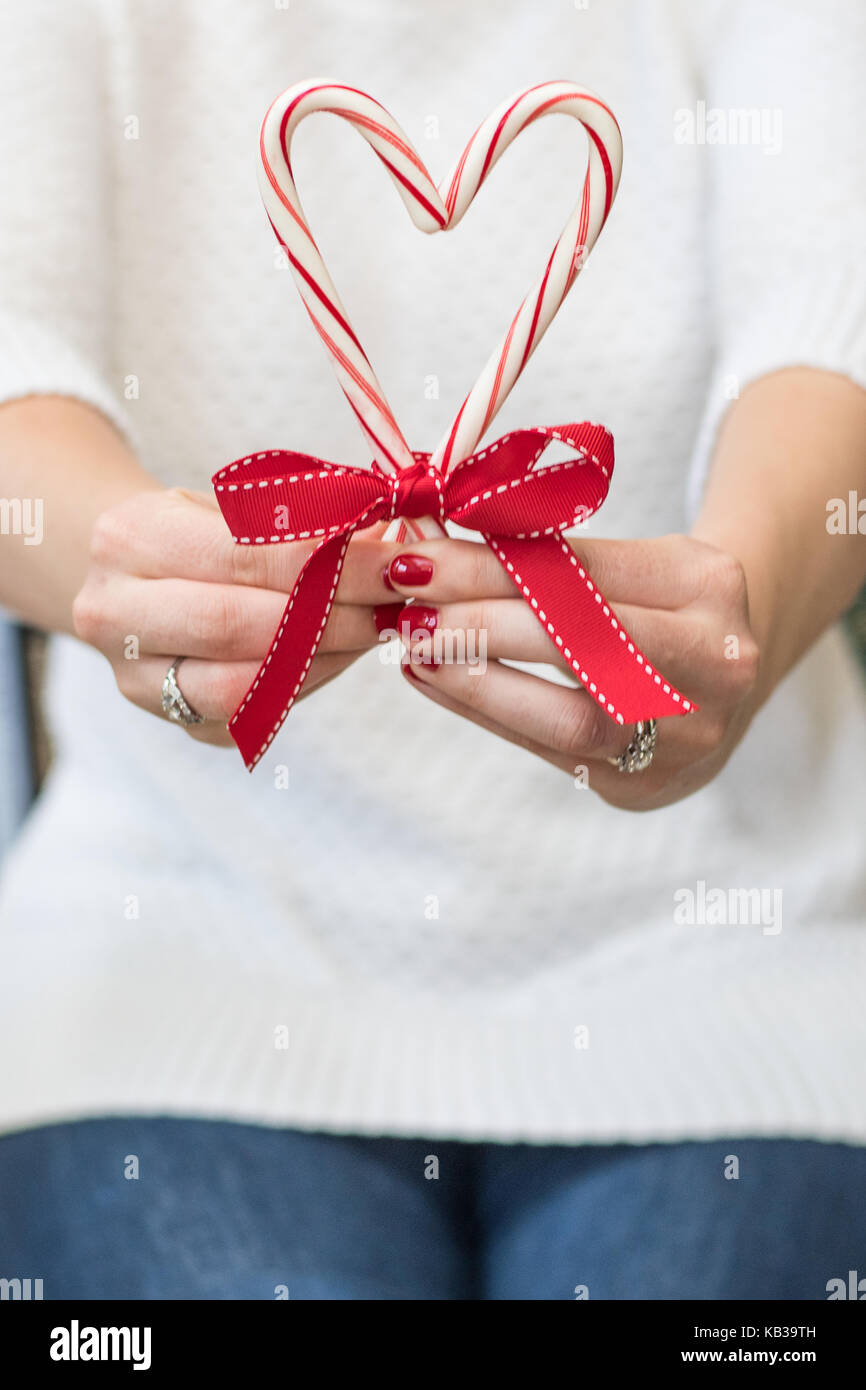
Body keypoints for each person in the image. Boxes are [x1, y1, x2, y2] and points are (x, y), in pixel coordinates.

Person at [0, 0, 864, 1300]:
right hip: (178, 944)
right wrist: (134, 569)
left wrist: (741, 588)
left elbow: (830, 299)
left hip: (726, 962)